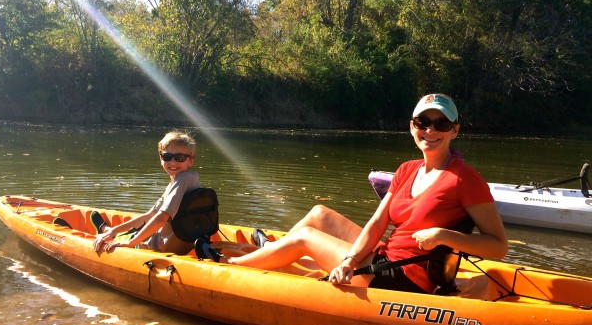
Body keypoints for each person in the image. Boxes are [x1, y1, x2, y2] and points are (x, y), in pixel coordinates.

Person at [196, 94, 508, 293]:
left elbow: (498, 246)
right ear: (412, 127)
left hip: (403, 278)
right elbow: (376, 224)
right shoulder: (407, 169)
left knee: (305, 237)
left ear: (455, 130)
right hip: (386, 256)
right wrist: (349, 259)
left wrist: (444, 235)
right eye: (423, 122)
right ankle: (274, 259)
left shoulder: (466, 179)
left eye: (442, 123)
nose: (431, 130)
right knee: (319, 215)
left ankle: (234, 270)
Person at [93, 130, 200, 255]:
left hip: (158, 246)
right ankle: (109, 230)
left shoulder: (183, 180)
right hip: (181, 243)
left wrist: (131, 243)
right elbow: (149, 216)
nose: (173, 162)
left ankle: (104, 229)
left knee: (127, 237)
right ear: (161, 158)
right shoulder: (190, 178)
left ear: (190, 160)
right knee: (130, 230)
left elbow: (161, 218)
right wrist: (115, 230)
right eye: (167, 157)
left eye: (180, 158)